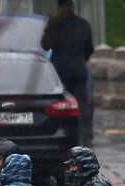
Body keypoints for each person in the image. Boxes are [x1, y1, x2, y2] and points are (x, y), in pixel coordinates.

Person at [41, 0, 94, 147]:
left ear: (59, 7)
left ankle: (61, 135)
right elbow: (89, 50)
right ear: (72, 6)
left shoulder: (54, 23)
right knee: (82, 107)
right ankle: (85, 140)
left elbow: (45, 45)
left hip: (59, 72)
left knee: (59, 105)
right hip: (77, 71)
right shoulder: (83, 24)